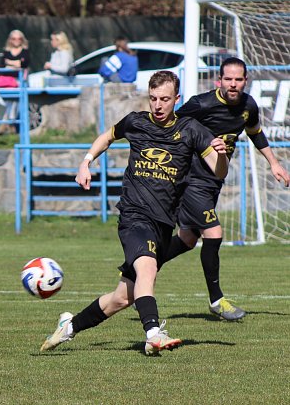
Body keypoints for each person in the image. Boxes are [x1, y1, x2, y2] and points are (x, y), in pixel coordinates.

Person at [40, 71, 229, 356]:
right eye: (153, 98)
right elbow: (107, 136)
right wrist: (86, 161)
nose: (158, 105)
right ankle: (153, 333)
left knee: (121, 298)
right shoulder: (136, 121)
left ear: (176, 99)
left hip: (164, 224)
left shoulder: (191, 129)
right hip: (134, 215)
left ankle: (69, 326)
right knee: (147, 268)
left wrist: (223, 153)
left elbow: (219, 170)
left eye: (165, 99)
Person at [158, 57, 290, 320]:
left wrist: (274, 163)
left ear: (245, 81)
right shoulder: (202, 103)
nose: (233, 84)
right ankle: (217, 301)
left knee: (187, 240)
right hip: (190, 179)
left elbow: (255, 132)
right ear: (219, 80)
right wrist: (201, 142)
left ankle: (138, 269)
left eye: (238, 79)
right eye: (228, 79)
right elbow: (172, 127)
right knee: (214, 233)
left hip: (213, 181)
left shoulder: (248, 105)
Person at [0, 29, 30, 134]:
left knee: (15, 103)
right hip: (7, 82)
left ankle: (11, 124)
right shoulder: (6, 51)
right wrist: (16, 63)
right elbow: (1, 65)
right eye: (13, 38)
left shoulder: (25, 51)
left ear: (22, 39)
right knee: (6, 102)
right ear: (10, 40)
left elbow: (24, 65)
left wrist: (9, 63)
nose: (16, 40)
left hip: (19, 82)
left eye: (19, 38)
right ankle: (6, 123)